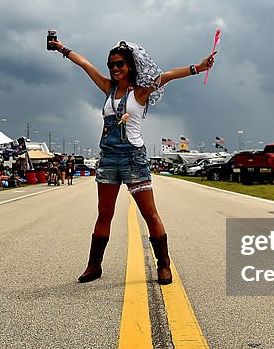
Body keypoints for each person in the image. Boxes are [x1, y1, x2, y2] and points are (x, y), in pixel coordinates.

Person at [49, 37, 215, 285]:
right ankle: (94, 266)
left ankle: (164, 265)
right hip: (108, 159)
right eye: (111, 65)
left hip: (133, 159)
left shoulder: (140, 91)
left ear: (130, 66)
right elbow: (84, 64)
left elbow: (167, 75)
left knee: (149, 213)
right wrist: (61, 48)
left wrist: (198, 68)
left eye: (119, 64)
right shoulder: (108, 89)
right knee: (104, 214)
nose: (114, 69)